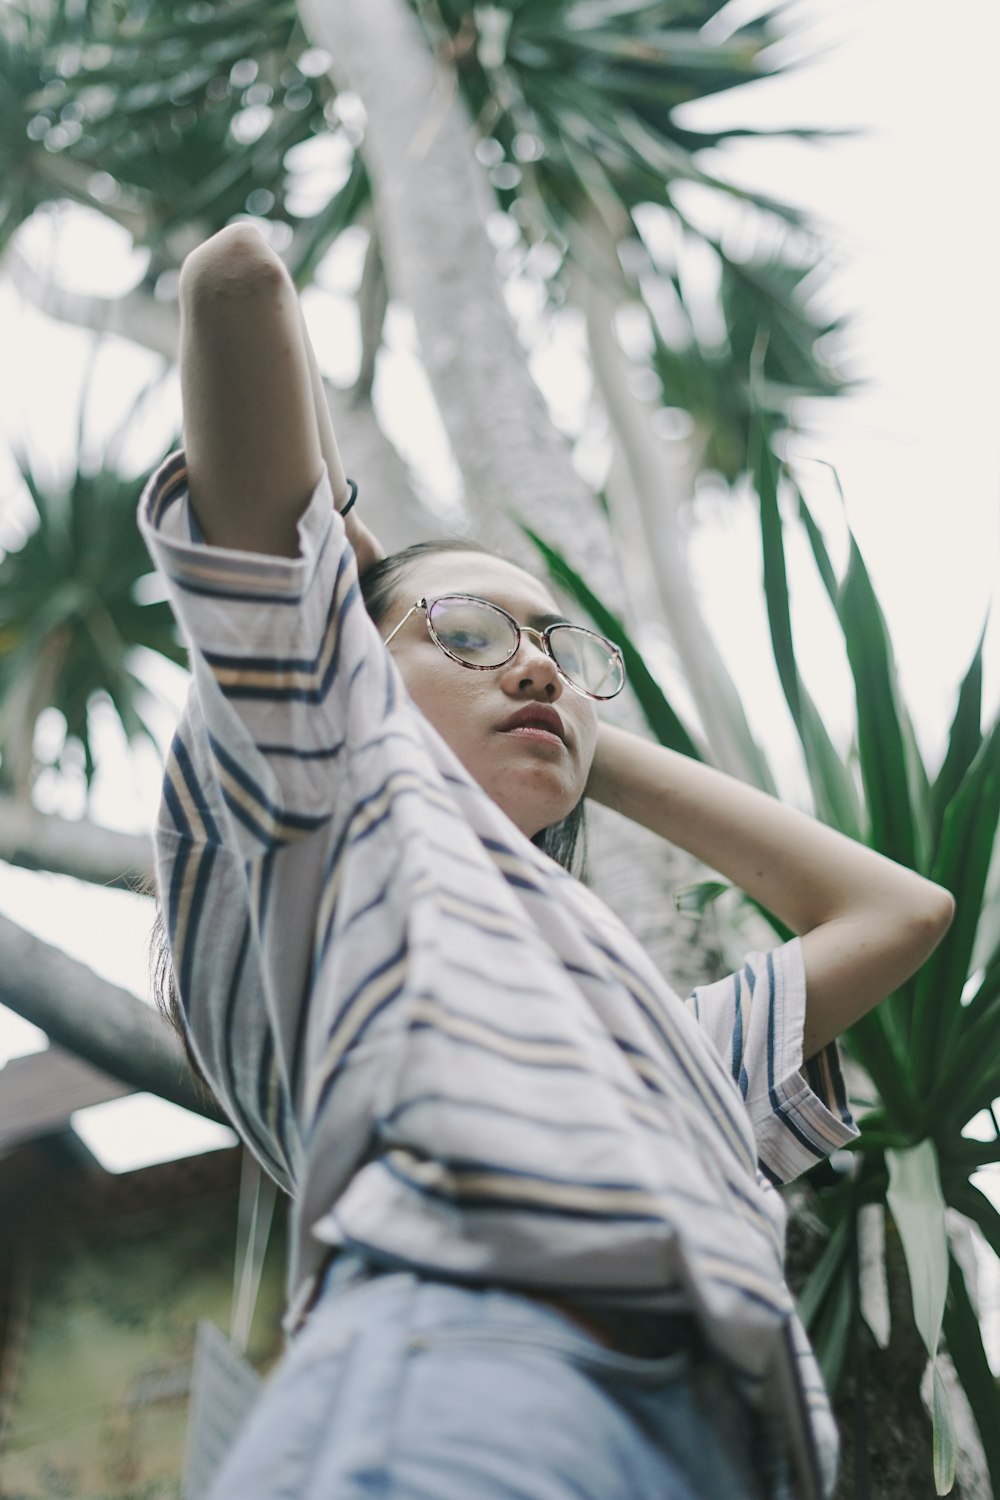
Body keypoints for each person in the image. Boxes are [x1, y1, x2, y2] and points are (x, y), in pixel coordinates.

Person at [139, 221, 954, 1500]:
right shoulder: (313, 810)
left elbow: (897, 908)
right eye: (461, 628)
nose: (528, 661)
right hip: (479, 1389)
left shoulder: (647, 1043)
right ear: (337, 674)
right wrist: (329, 589)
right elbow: (237, 277)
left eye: (557, 646)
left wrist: (568, 724)